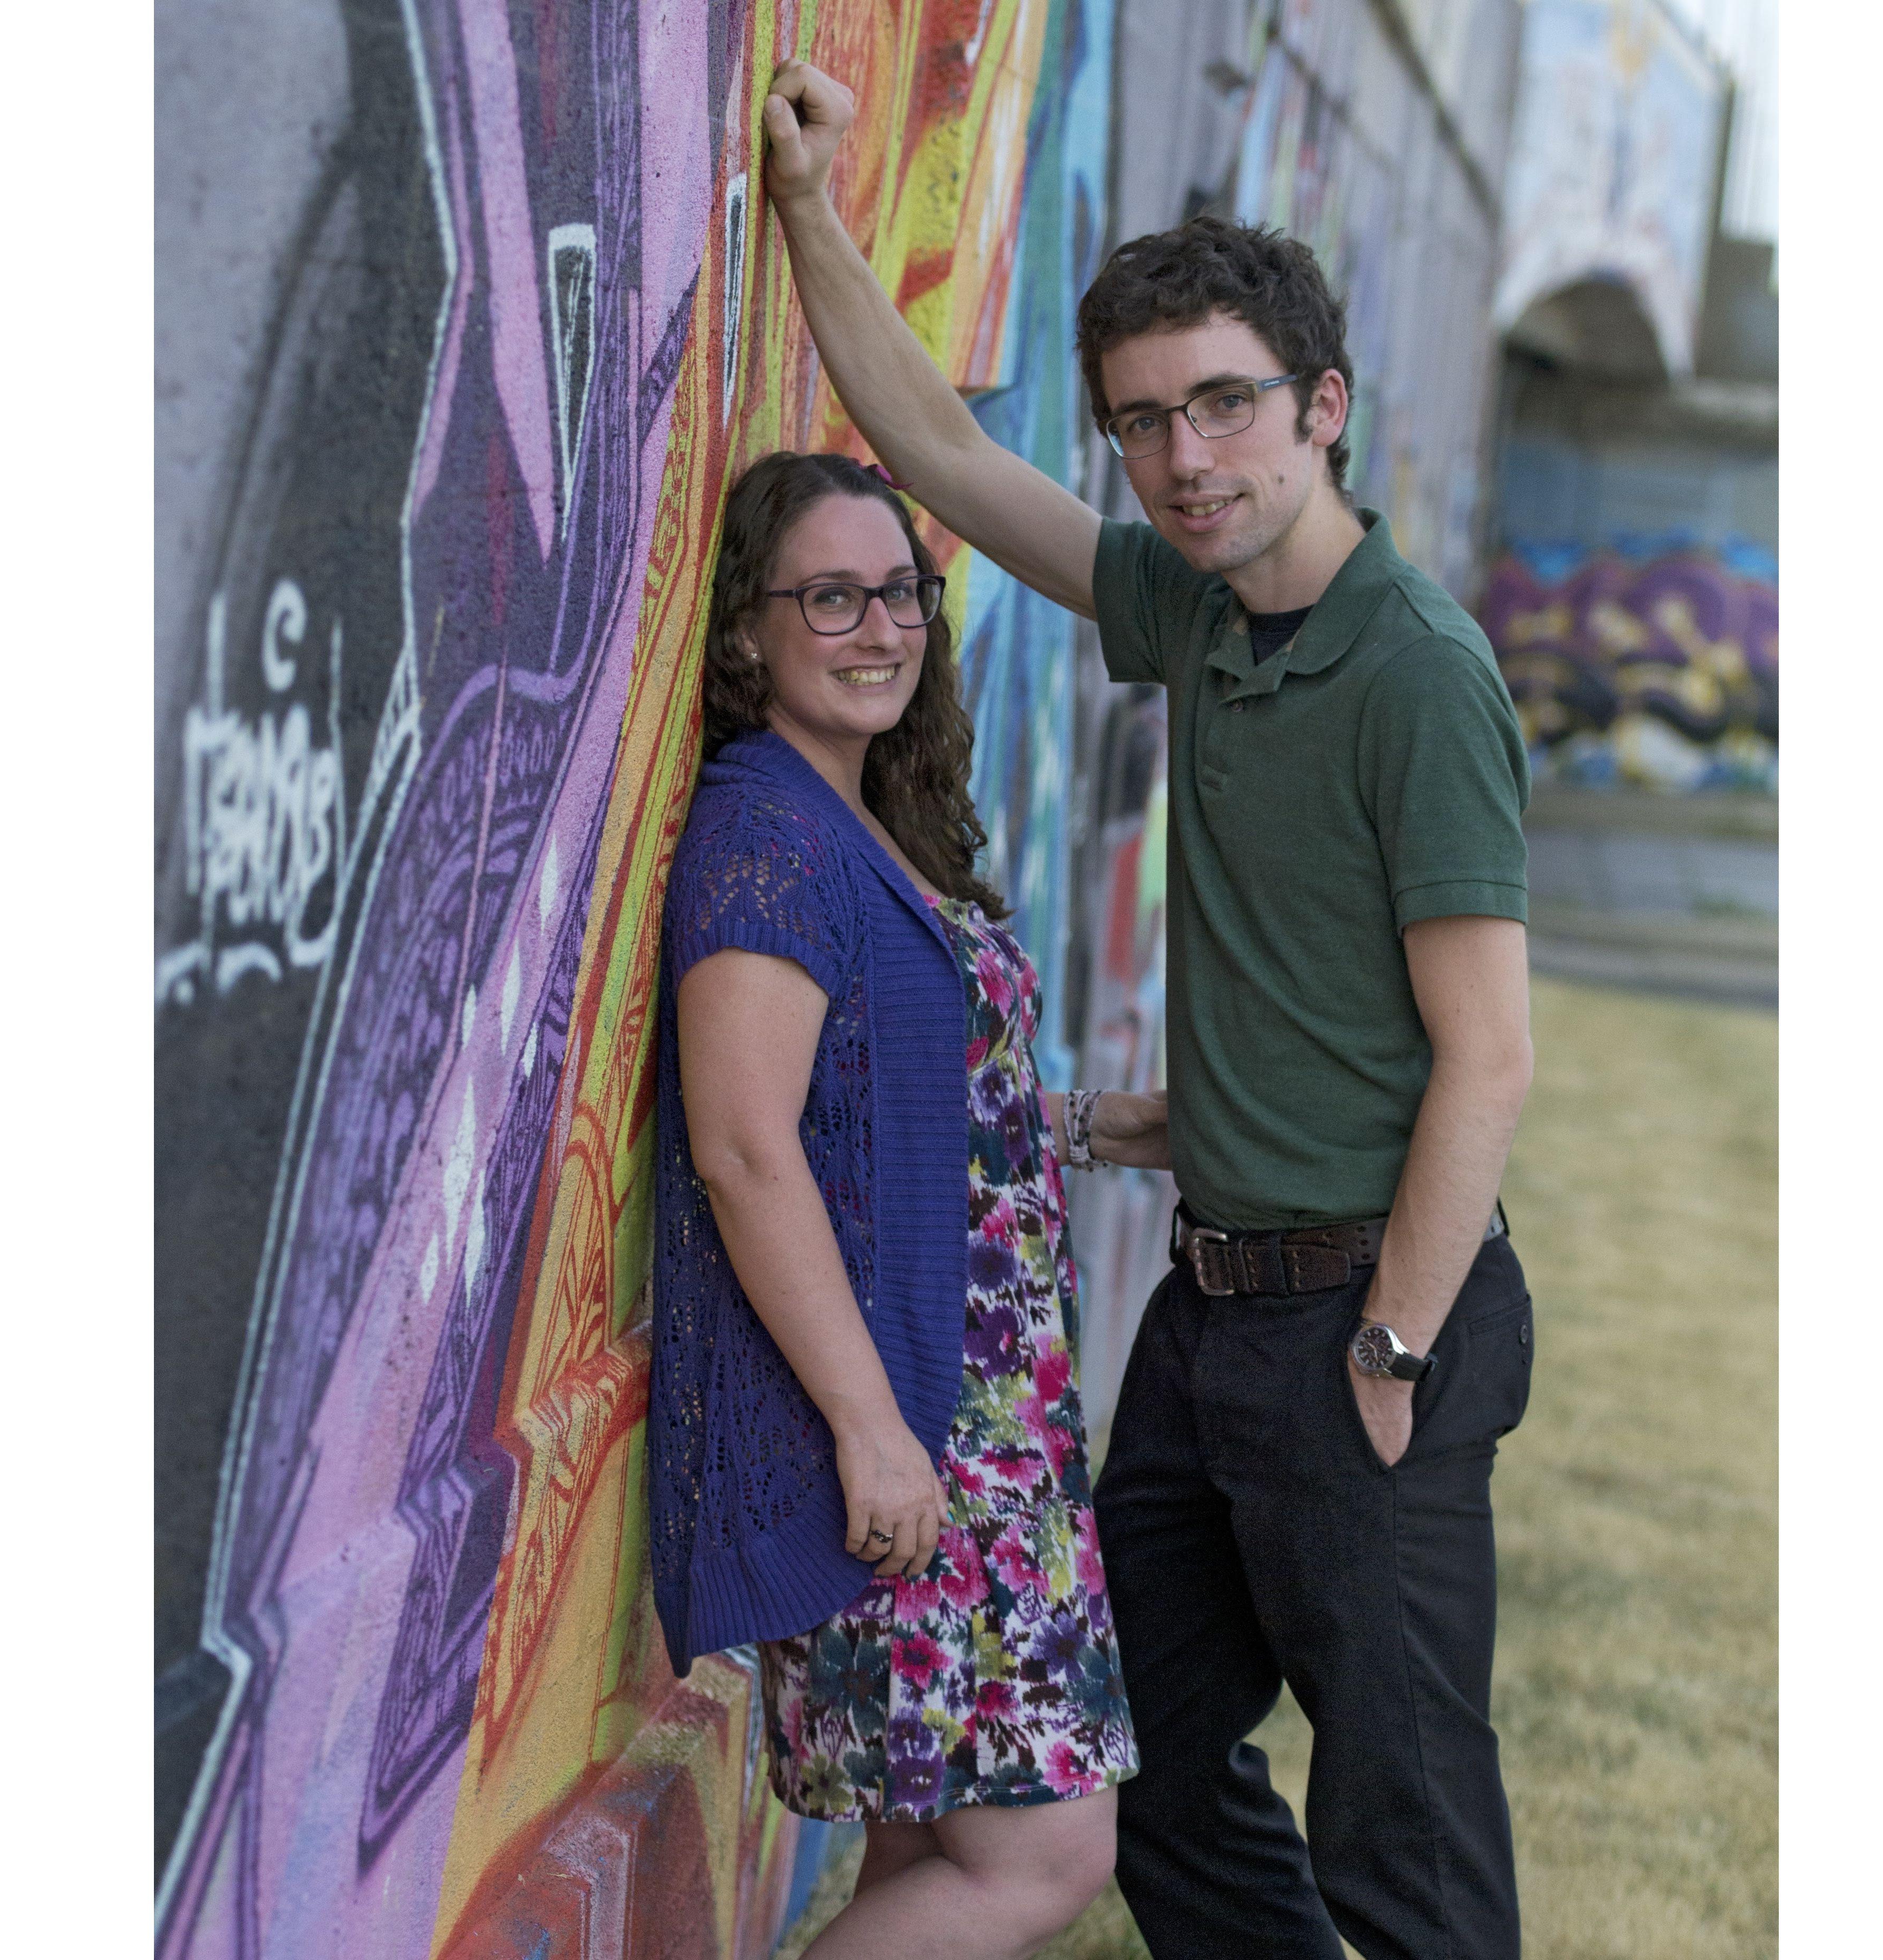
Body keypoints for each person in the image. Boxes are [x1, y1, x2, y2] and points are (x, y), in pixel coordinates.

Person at [758, 61, 1539, 1960]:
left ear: (1319, 409)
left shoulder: (1414, 674)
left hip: (1367, 1320)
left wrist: (1393, 1356)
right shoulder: (1197, 609)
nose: (1184, 457)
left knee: (1405, 1831)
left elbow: (1487, 1052)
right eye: (1143, 424)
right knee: (1143, 1766)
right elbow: (939, 455)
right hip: (1211, 1315)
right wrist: (802, 210)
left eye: (1224, 406)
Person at [649, 450, 1167, 1960]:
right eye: (829, 596)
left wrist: (1075, 1126)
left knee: (919, 1843)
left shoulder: (861, 815)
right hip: (909, 1428)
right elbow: (747, 1148)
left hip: (984, 1419)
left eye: (898, 595)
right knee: (1045, 1850)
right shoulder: (765, 837)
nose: (878, 628)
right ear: (748, 632)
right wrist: (872, 1429)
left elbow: (894, 1105)